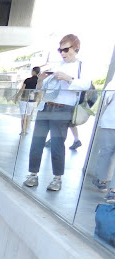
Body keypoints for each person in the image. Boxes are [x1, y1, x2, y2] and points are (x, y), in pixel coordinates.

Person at [24, 34, 91, 192]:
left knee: (57, 144)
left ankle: (57, 178)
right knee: (36, 142)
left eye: (66, 49)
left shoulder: (81, 66)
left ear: (75, 48)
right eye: (60, 50)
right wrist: (41, 80)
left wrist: (68, 78)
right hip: (46, 106)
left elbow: (86, 84)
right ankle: (33, 174)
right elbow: (42, 89)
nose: (63, 53)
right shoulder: (57, 64)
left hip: (63, 108)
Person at [91, 79, 115, 203]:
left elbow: (106, 98)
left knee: (106, 153)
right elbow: (106, 97)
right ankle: (102, 180)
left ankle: (109, 187)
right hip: (110, 122)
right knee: (106, 153)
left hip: (110, 122)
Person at [15, 66, 41, 136]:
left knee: (23, 116)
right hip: (32, 100)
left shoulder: (27, 80)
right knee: (28, 115)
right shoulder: (39, 81)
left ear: (33, 72)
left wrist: (17, 96)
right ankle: (26, 130)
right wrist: (39, 100)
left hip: (24, 99)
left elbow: (22, 89)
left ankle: (22, 130)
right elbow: (39, 91)